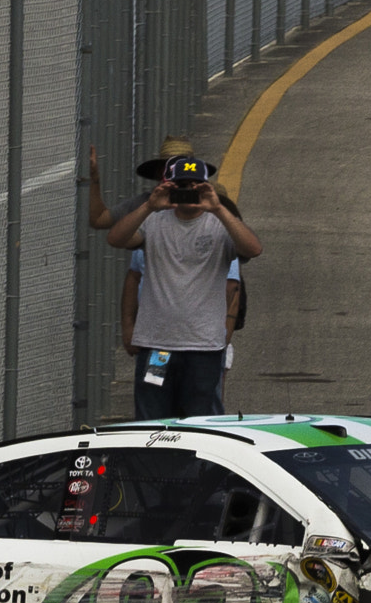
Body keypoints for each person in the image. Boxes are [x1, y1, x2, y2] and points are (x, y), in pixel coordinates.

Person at [108, 155, 261, 420]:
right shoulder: (153, 222)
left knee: (201, 421)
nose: (187, 191)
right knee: (152, 418)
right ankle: (154, 463)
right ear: (167, 185)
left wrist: (218, 209)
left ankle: (199, 464)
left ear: (205, 186)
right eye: (180, 184)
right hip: (158, 348)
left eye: (194, 185)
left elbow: (253, 249)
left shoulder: (220, 225)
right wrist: (149, 207)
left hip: (203, 349)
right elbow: (116, 239)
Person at [124, 247, 241, 407]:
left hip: (196, 348)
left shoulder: (216, 233)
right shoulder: (151, 230)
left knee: (193, 408)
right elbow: (134, 275)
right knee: (157, 402)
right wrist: (128, 325)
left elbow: (231, 287)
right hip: (161, 347)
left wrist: (221, 337)